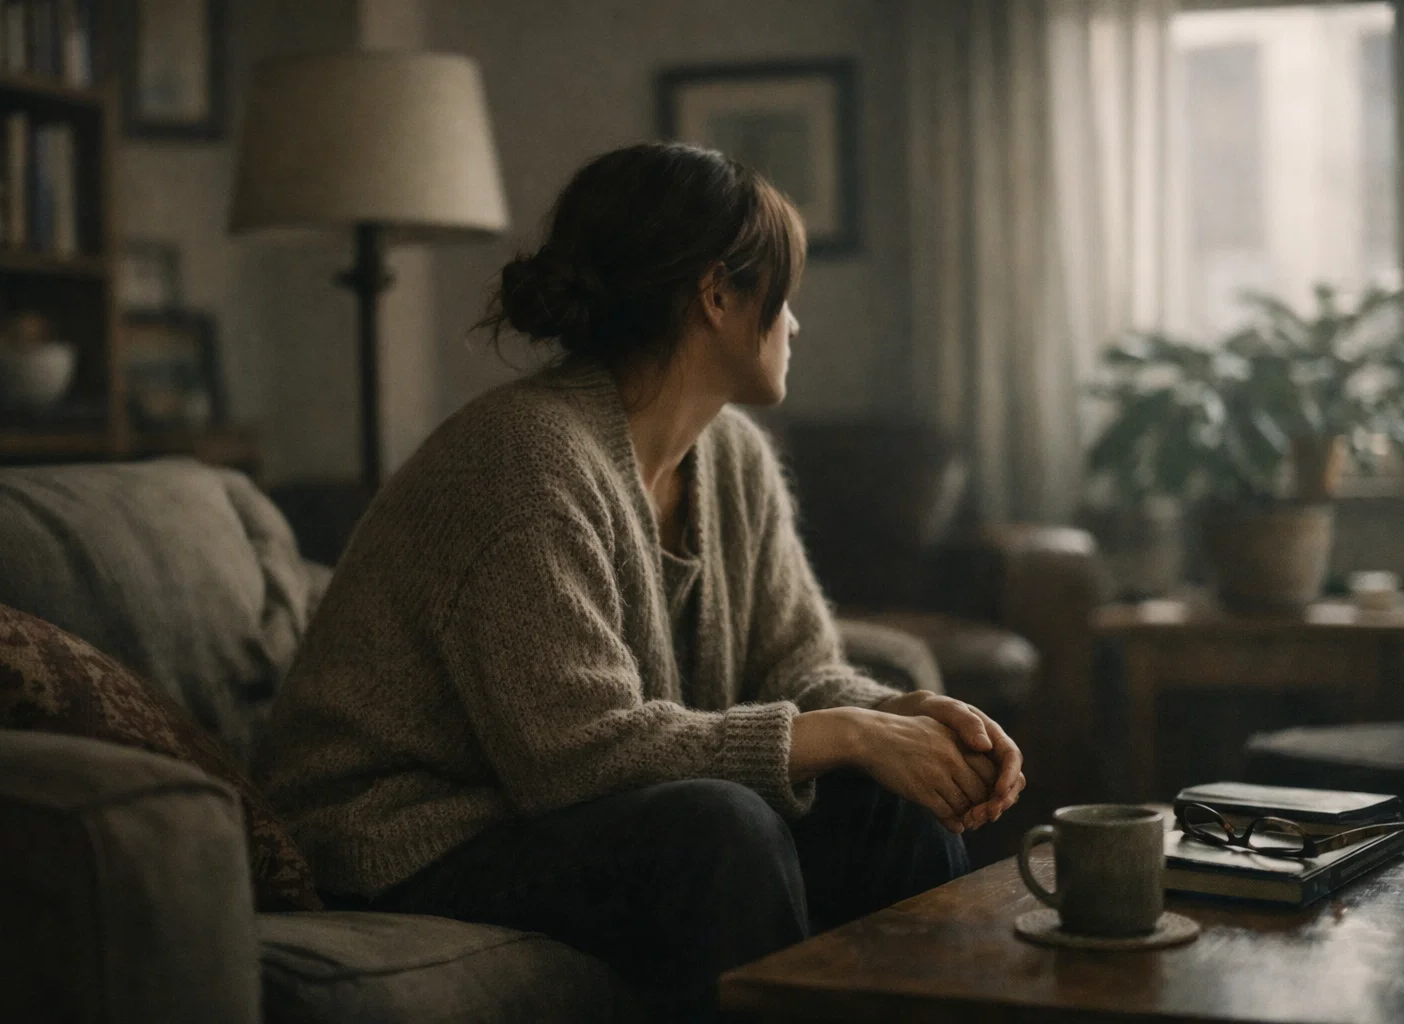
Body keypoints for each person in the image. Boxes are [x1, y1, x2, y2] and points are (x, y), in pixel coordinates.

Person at [257, 141, 1024, 1021]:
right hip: (409, 840)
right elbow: (578, 758)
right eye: (784, 296)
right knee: (717, 833)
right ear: (717, 295)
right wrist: (845, 734)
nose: (796, 325)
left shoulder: (734, 456)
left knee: (893, 811)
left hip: (552, 815)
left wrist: (900, 721)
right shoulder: (523, 460)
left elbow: (797, 669)